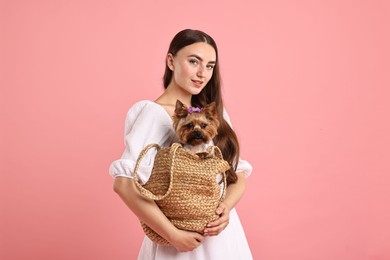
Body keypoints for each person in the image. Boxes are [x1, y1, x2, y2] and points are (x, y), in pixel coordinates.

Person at [109, 29, 253, 259]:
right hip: (178, 242)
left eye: (209, 66)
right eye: (194, 61)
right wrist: (173, 235)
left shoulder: (216, 114)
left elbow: (238, 175)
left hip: (224, 237)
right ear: (171, 61)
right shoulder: (153, 113)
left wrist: (225, 209)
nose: (202, 73)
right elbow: (124, 185)